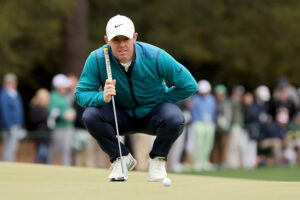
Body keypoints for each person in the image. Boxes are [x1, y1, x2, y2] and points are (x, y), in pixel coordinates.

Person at [75, 15, 198, 181]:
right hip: (119, 115)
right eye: (115, 40)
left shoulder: (155, 56)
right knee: (90, 116)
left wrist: (163, 97)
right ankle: (120, 158)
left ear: (135, 37)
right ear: (107, 40)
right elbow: (81, 94)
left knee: (175, 118)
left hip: (153, 113)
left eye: (125, 38)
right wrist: (101, 97)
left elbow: (189, 85)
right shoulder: (97, 59)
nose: (122, 45)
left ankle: (157, 160)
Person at [47, 74, 76, 166]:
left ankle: (67, 168)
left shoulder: (63, 96)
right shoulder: (54, 96)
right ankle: (48, 166)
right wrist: (63, 115)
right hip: (59, 127)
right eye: (63, 86)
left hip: (68, 126)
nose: (65, 87)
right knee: (54, 150)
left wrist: (71, 114)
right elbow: (52, 112)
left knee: (67, 150)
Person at [0, 73, 25, 162]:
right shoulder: (4, 95)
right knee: (8, 146)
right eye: (10, 82)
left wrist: (21, 125)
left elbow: (19, 111)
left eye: (14, 83)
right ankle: (7, 163)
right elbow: (4, 111)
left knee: (14, 146)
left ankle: (10, 162)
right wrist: (8, 125)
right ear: (6, 83)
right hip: (9, 126)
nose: (12, 84)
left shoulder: (15, 94)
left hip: (16, 125)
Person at [28, 88, 51, 163]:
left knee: (44, 154)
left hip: (46, 135)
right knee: (42, 153)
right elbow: (34, 120)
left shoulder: (45, 109)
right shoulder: (35, 108)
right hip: (39, 135)